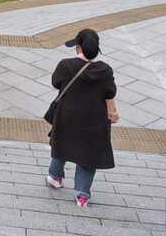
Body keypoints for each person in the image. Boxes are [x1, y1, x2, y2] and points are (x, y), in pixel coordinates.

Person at [46, 29, 118, 208]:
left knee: (61, 144)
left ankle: (55, 177)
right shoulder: (105, 70)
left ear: (78, 48)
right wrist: (113, 112)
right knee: (88, 155)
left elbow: (56, 82)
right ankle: (82, 195)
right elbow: (110, 93)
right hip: (94, 121)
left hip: (67, 116)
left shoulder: (65, 65)